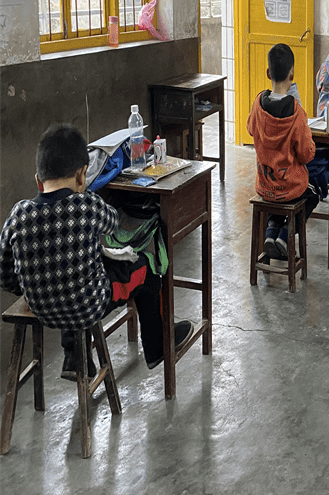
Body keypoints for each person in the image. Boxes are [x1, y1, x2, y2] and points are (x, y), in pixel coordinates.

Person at [0, 124, 193, 380]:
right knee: (146, 267)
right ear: (82, 176)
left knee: (69, 273)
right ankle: (156, 347)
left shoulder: (18, 214)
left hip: (41, 308)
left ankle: (74, 356)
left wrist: (34, 285)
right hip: (89, 304)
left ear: (38, 179)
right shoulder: (86, 206)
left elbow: (5, 276)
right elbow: (113, 222)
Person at [248, 43, 320, 259]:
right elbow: (306, 154)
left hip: (265, 185)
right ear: (292, 75)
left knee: (279, 195)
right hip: (289, 187)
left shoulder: (257, 104)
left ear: (268, 73)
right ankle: (285, 236)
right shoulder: (296, 112)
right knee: (313, 192)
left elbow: (250, 129)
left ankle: (271, 233)